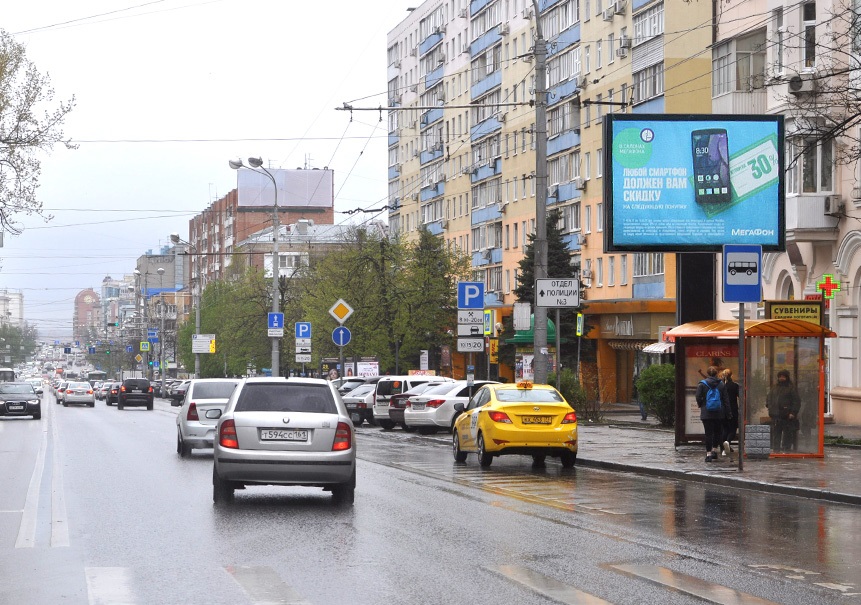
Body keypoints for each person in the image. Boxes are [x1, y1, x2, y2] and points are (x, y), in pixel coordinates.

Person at [696, 365, 729, 462]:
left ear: (707, 374)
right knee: (718, 432)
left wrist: (701, 404)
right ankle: (714, 450)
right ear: (716, 374)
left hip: (706, 412)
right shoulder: (721, 384)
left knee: (708, 433)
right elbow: (726, 399)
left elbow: (698, 396)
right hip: (719, 412)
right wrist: (728, 412)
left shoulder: (702, 384)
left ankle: (708, 454)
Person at [767, 369, 801, 452]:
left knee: (787, 433)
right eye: (780, 377)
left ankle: (786, 448)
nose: (781, 378)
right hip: (776, 414)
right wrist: (769, 407)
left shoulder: (791, 388)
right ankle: (776, 449)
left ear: (787, 377)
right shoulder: (774, 388)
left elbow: (796, 401)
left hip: (787, 415)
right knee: (776, 433)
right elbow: (769, 398)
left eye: (783, 377)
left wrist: (793, 412)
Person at [720, 368, 740, 457]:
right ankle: (727, 442)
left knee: (725, 429)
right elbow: (740, 396)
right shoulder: (734, 386)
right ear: (731, 375)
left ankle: (723, 448)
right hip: (733, 410)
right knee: (733, 428)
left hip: (722, 410)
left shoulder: (720, 386)